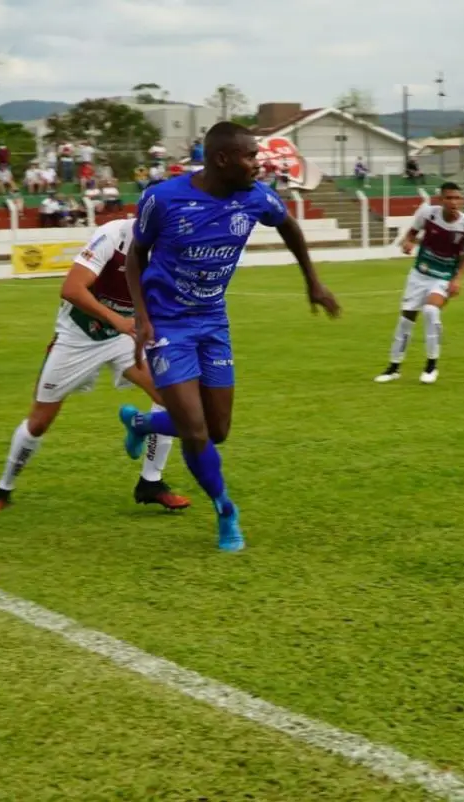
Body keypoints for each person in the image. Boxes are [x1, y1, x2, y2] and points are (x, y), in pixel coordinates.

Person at [115, 121, 340, 552]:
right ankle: (225, 510)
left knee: (217, 430)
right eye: (250, 156)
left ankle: (143, 422)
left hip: (213, 322)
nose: (259, 163)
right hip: (169, 326)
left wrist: (313, 282)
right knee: (195, 432)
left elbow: (288, 226)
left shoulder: (255, 197)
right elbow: (135, 256)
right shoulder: (163, 198)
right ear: (222, 159)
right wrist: (143, 318)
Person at [0, 218, 190, 514]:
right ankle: (3, 488)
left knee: (172, 398)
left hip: (123, 337)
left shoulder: (172, 247)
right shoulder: (113, 235)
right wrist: (117, 320)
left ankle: (150, 482)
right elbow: (72, 289)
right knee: (40, 421)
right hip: (78, 336)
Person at [374, 181, 464, 386]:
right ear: (441, 200)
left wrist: (457, 279)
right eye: (449, 198)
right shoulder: (428, 214)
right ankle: (394, 368)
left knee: (431, 311)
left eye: (457, 198)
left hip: (443, 278)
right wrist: (408, 241)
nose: (453, 202)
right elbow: (412, 232)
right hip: (419, 275)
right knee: (405, 321)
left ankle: (431, 365)